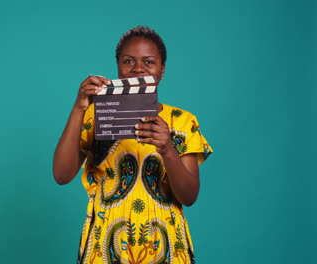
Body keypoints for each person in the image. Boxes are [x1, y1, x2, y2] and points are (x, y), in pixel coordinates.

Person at [53, 26, 213, 264]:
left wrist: (168, 149)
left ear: (162, 70)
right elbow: (62, 175)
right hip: (105, 240)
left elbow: (189, 196)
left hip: (165, 240)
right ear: (117, 67)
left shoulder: (183, 121)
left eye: (149, 62)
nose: (138, 68)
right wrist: (79, 107)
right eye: (128, 61)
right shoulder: (96, 115)